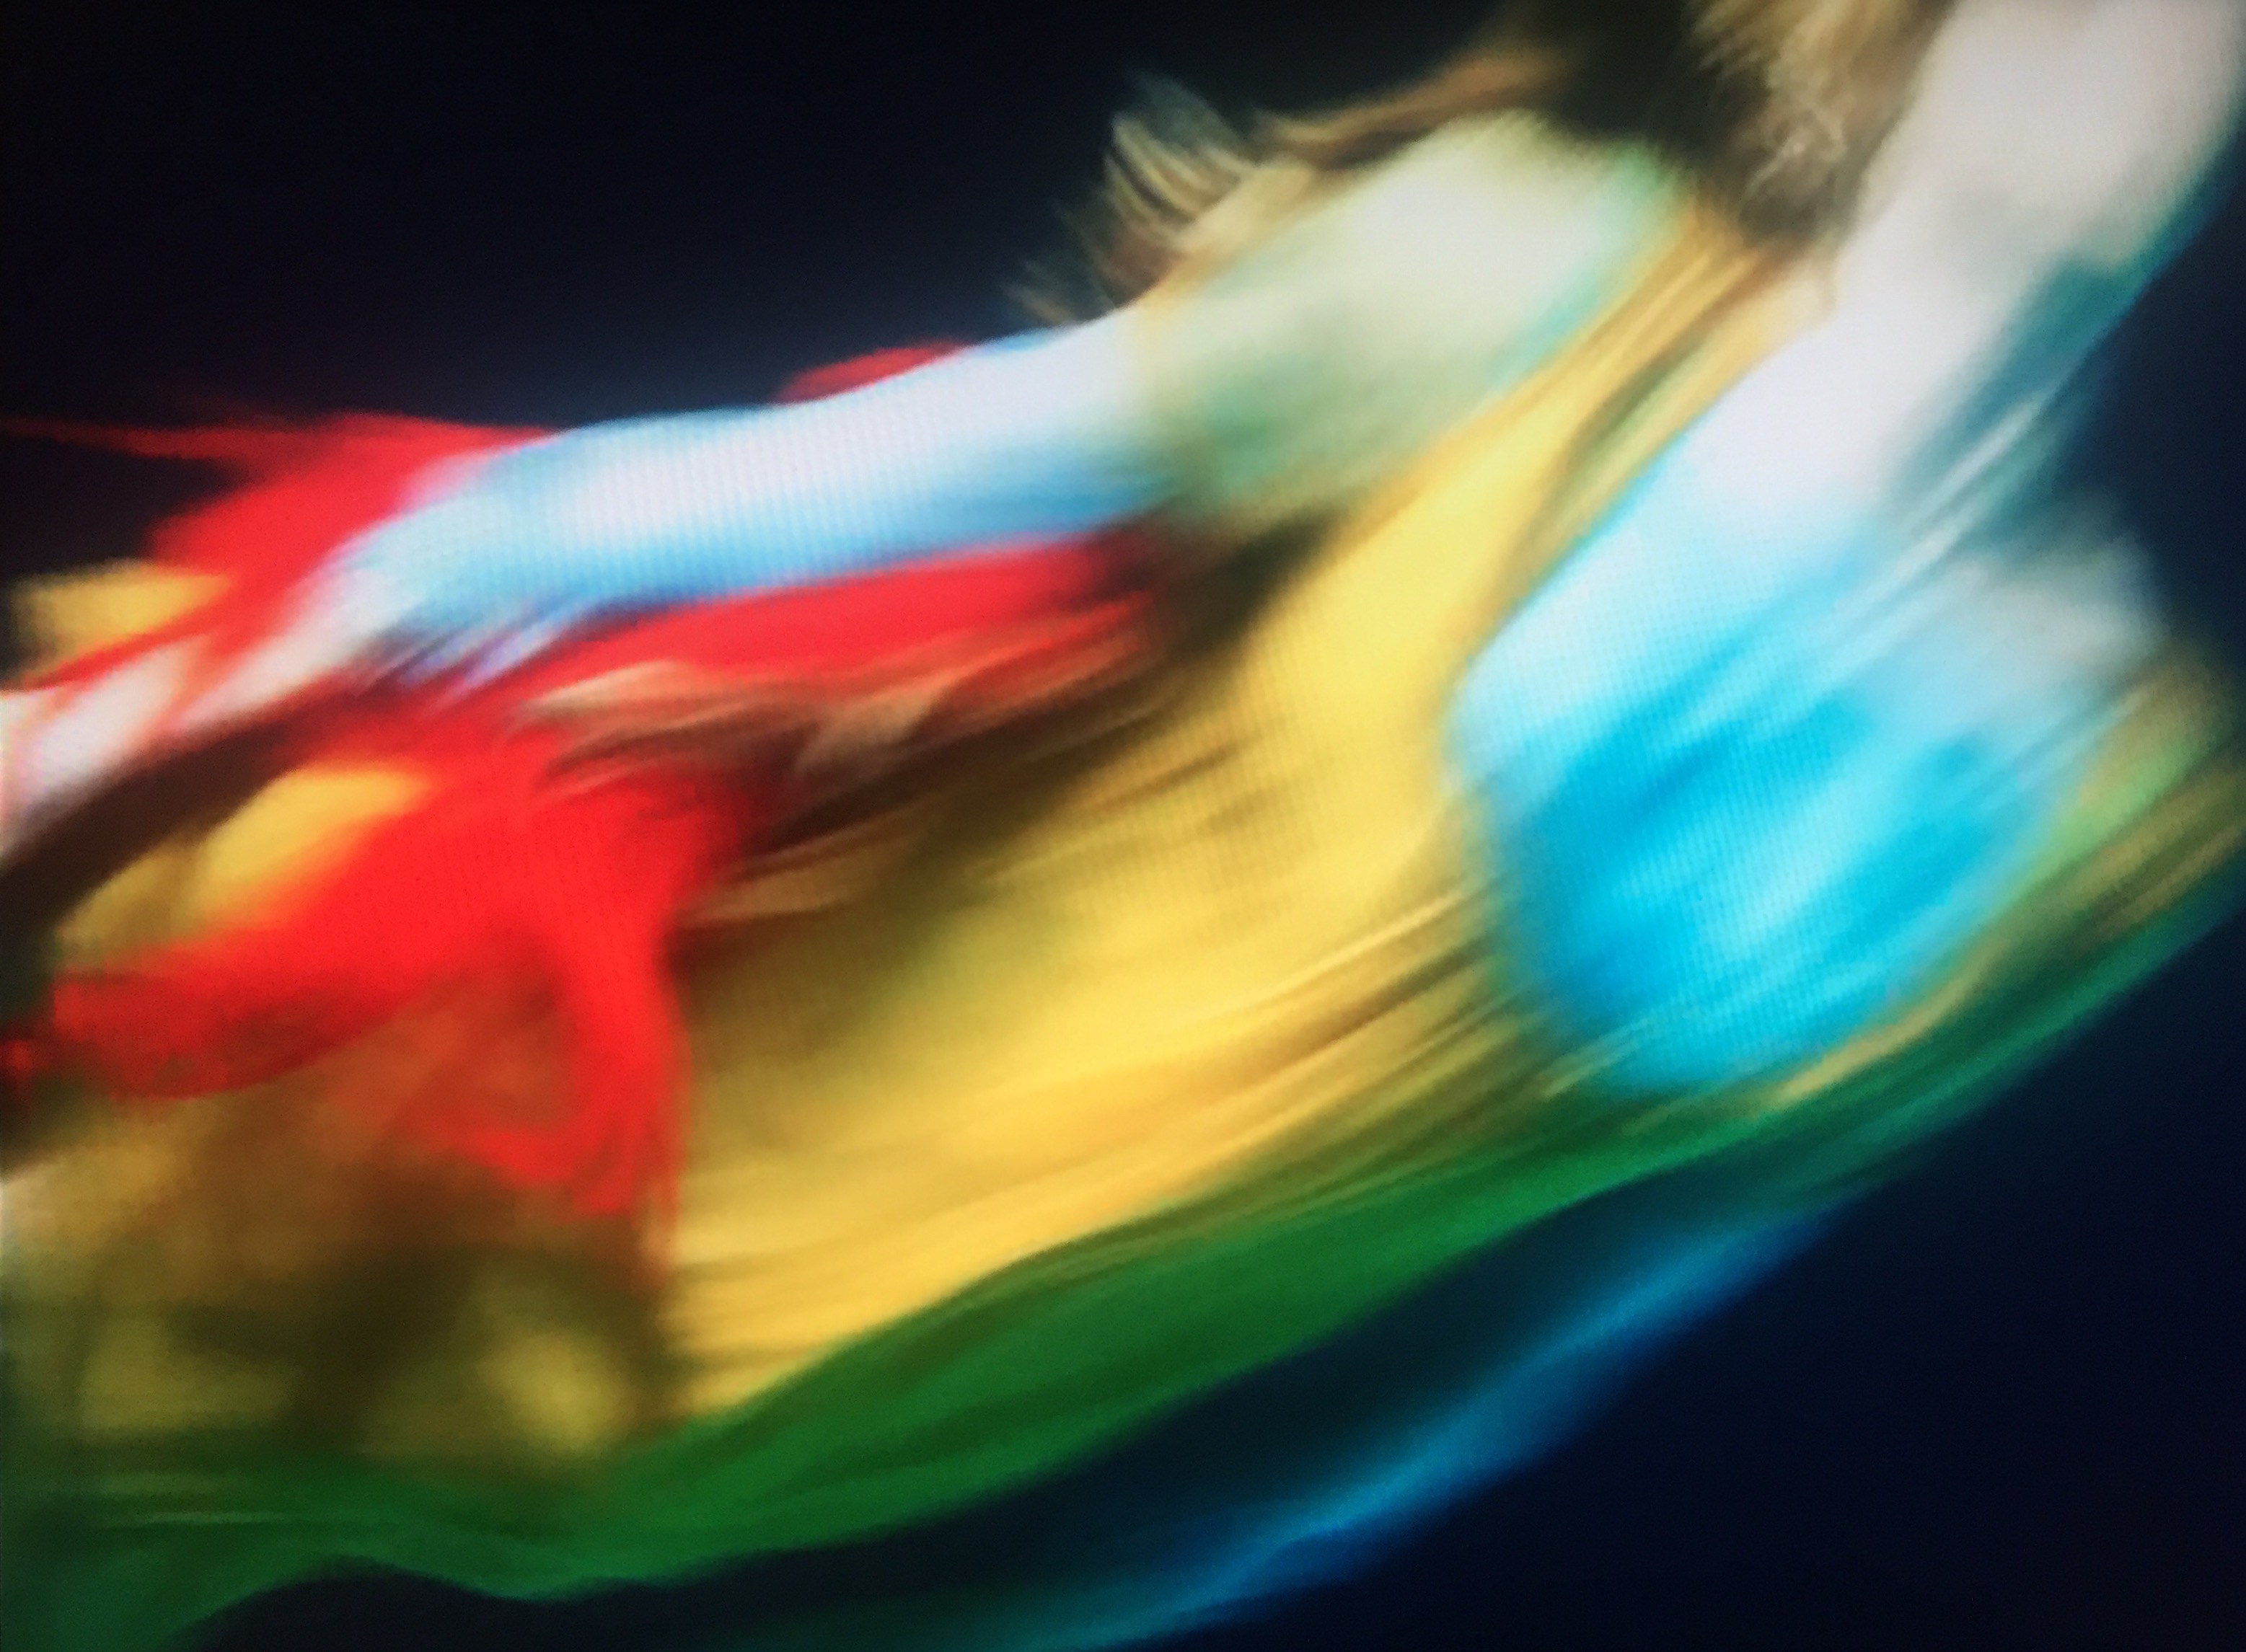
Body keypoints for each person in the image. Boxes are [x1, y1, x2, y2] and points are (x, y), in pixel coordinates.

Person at [4, 2, 2243, 1648]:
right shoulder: (1546, 275)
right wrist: (110, 737)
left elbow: (1537, 1340)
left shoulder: (2127, 818)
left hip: (791, 1398)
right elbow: (681, 521)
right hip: (501, 1133)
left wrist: (1108, 1581)